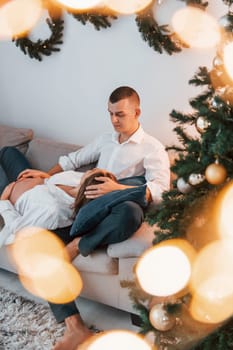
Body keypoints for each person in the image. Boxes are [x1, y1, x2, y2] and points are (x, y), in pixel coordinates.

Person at [0, 86, 171, 349]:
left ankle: (79, 245)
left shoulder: (152, 148)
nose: (114, 120)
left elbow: (161, 191)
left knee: (129, 211)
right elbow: (71, 160)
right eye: (110, 114)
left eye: (120, 114)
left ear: (137, 112)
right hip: (79, 213)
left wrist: (117, 189)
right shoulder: (105, 140)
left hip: (113, 211)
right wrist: (47, 176)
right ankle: (75, 328)